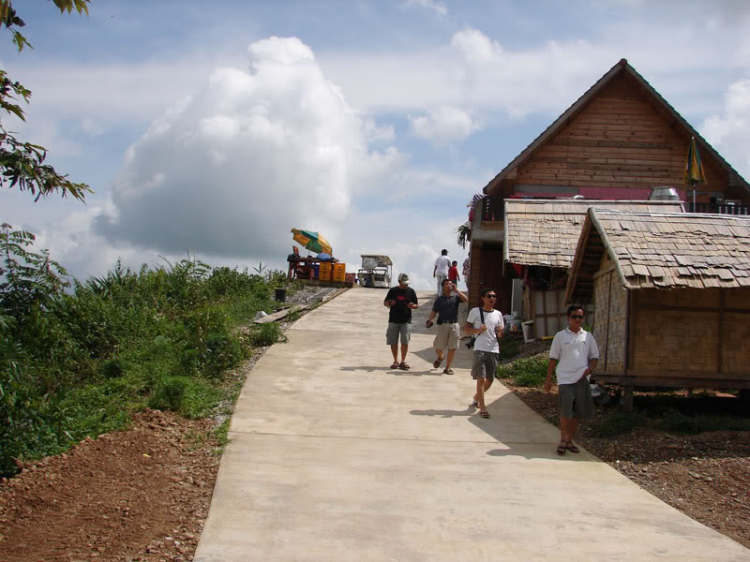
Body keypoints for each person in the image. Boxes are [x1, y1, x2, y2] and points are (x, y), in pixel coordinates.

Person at [544, 304, 599, 455]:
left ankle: (569, 440)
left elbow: (595, 356)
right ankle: (562, 439)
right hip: (565, 379)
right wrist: (548, 379)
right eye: (574, 316)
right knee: (566, 410)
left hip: (582, 378)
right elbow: (553, 358)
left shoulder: (587, 336)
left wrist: (590, 369)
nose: (577, 319)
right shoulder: (560, 336)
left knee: (577, 412)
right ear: (568, 318)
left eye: (580, 317)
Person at [464, 288, 504, 418]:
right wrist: (478, 330)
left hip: (493, 349)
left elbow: (500, 334)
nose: (492, 298)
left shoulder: (498, 314)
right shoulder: (475, 312)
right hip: (480, 349)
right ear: (483, 298)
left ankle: (476, 398)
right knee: (481, 379)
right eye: (489, 296)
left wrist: (500, 331)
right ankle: (483, 407)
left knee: (490, 379)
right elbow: (466, 329)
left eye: (494, 296)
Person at [425, 279, 468, 375]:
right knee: (438, 347)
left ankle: (447, 367)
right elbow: (434, 311)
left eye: (450, 283)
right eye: (446, 284)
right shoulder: (439, 299)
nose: (449, 285)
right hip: (442, 325)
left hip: (454, 325)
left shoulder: (456, 297)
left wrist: (456, 291)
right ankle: (440, 357)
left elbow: (466, 300)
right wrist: (430, 320)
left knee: (453, 348)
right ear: (443, 287)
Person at [384, 273, 419, 371]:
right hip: (393, 319)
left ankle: (403, 361)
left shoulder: (411, 291)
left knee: (405, 341)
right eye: (404, 283)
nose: (406, 285)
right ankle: (395, 360)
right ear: (399, 282)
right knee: (393, 341)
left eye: (407, 283)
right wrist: (390, 303)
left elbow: (416, 305)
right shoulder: (393, 291)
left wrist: (412, 306)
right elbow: (385, 303)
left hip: (406, 320)